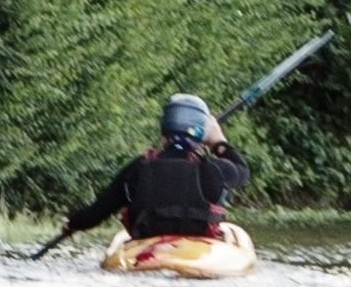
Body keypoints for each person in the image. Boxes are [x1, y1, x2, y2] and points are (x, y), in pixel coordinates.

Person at [72, 93, 251, 247]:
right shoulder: (214, 170)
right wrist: (219, 142)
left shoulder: (138, 168)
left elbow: (96, 212)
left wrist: (73, 223)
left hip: (147, 247)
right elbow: (243, 170)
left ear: (164, 131)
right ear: (203, 135)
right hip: (198, 251)